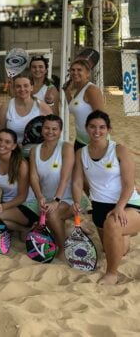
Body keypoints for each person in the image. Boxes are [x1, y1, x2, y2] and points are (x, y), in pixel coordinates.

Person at [73, 110, 140, 285]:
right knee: (116, 250)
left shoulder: (119, 150)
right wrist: (76, 202)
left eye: (102, 127)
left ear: (108, 129)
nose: (97, 131)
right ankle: (124, 234)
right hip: (100, 208)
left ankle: (112, 274)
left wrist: (119, 207)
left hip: (128, 204)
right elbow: (78, 183)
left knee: (113, 224)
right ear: (86, 128)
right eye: (93, 127)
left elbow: (128, 184)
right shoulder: (81, 153)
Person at [28, 114, 75, 250]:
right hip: (44, 199)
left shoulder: (66, 147)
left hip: (65, 198)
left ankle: (62, 247)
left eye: (54, 129)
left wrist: (56, 200)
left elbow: (65, 177)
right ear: (41, 129)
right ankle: (70, 228)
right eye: (47, 128)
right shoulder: (34, 150)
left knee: (52, 215)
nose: (50, 132)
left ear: (60, 131)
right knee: (26, 233)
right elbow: (33, 177)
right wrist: (40, 196)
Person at [0, 129, 39, 234]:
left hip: (27, 204)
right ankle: (25, 230)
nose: (2, 144)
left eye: (7, 142)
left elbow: (22, 196)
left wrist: (2, 207)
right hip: (7, 204)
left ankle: (26, 229)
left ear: (14, 146)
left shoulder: (21, 165)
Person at [0, 73, 52, 145]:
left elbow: (52, 131)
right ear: (14, 88)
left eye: (26, 86)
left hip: (37, 151)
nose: (22, 89)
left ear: (31, 87)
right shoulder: (5, 107)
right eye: (18, 86)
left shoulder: (42, 107)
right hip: (13, 151)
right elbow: (0, 135)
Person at [64, 59, 105, 151]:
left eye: (79, 70)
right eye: (73, 70)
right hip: (80, 139)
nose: (75, 72)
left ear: (88, 74)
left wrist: (97, 140)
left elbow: (101, 117)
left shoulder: (91, 90)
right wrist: (67, 92)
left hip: (93, 140)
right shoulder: (78, 90)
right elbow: (72, 108)